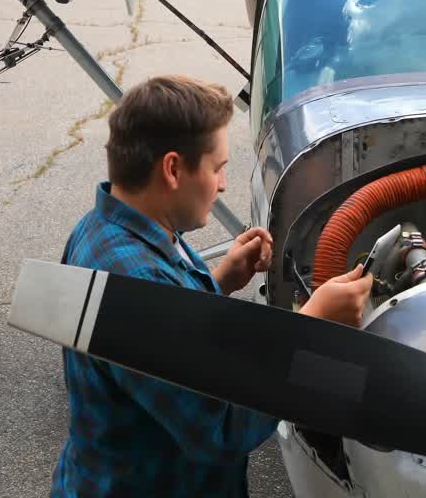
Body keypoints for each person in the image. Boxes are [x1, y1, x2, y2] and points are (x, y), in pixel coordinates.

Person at [52, 75, 373, 497]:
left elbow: (169, 343)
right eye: (218, 167)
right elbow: (220, 427)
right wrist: (311, 323)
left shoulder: (104, 227)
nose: (222, 184)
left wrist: (220, 281)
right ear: (172, 169)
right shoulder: (137, 285)